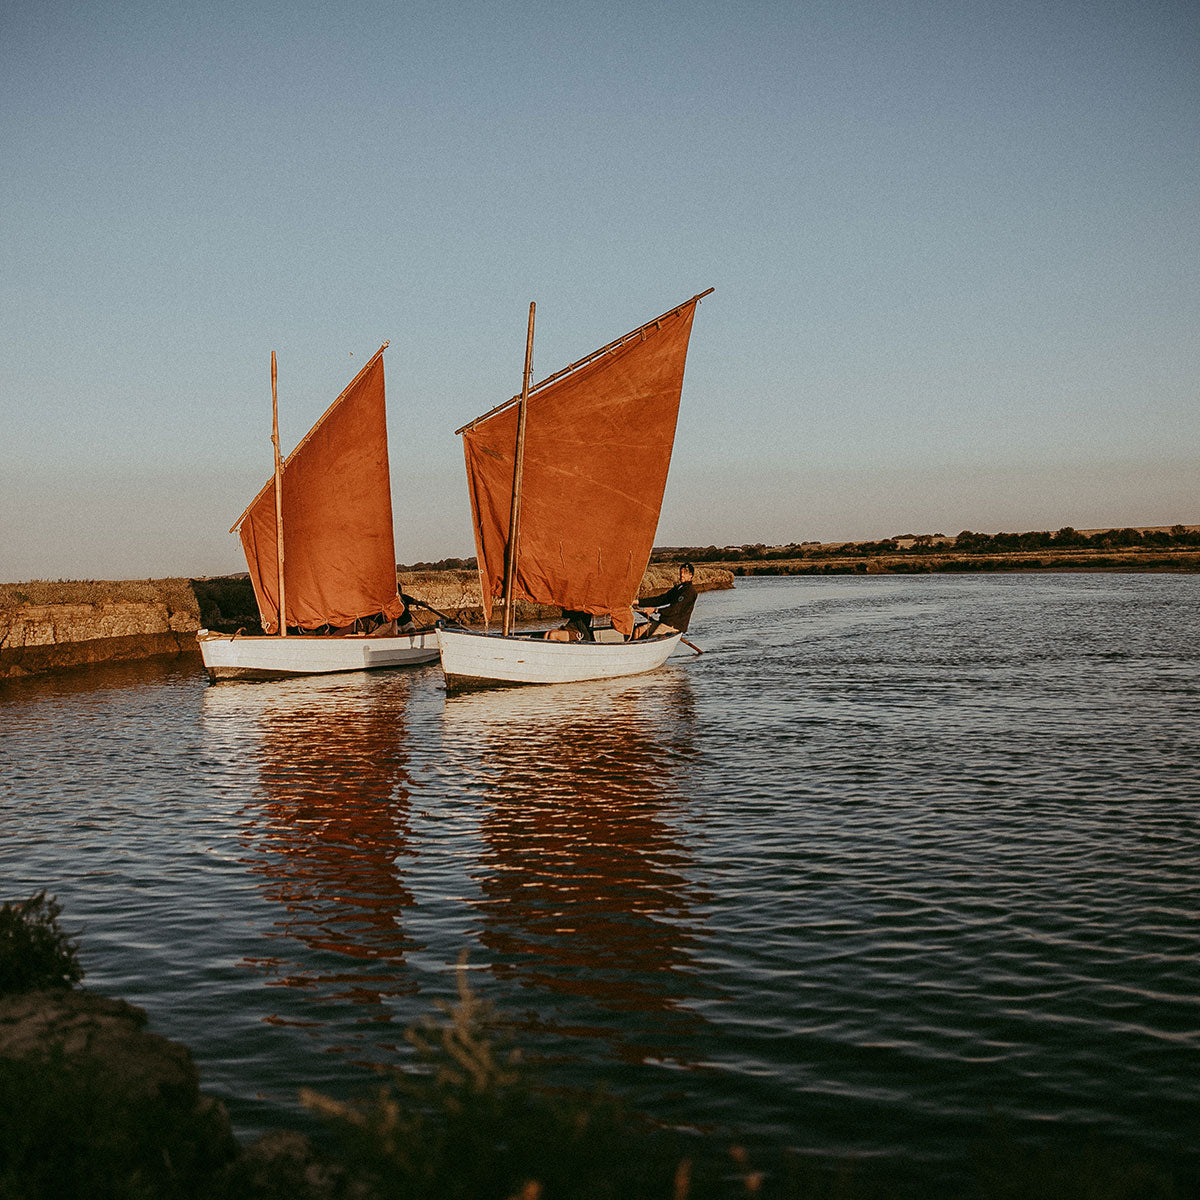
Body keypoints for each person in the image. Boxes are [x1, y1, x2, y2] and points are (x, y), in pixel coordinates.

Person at [632, 563, 698, 639]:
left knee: (652, 638)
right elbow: (660, 600)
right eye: (681, 572)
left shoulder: (690, 592)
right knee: (638, 631)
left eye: (685, 573)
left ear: (691, 575)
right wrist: (637, 602)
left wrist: (655, 610)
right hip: (665, 622)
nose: (682, 575)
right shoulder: (678, 588)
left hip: (674, 626)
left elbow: (675, 609)